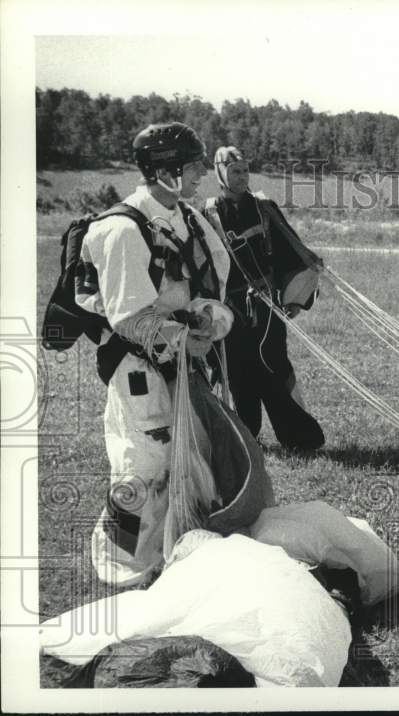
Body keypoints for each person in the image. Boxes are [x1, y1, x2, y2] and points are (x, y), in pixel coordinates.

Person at [79, 122, 235, 586]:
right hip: (137, 367)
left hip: (181, 362)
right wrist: (187, 337)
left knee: (187, 461)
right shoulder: (121, 230)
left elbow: (203, 286)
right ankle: (120, 568)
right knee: (142, 467)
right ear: (164, 171)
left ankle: (166, 559)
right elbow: (128, 318)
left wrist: (208, 320)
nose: (201, 173)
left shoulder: (187, 220)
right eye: (192, 166)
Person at [202, 147, 325, 452]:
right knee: (236, 373)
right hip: (229, 311)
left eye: (245, 170)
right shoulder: (206, 214)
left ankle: (298, 438)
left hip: (268, 304)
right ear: (220, 173)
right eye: (235, 171)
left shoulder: (264, 208)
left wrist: (295, 298)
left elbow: (290, 250)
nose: (242, 177)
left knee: (275, 367)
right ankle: (244, 438)